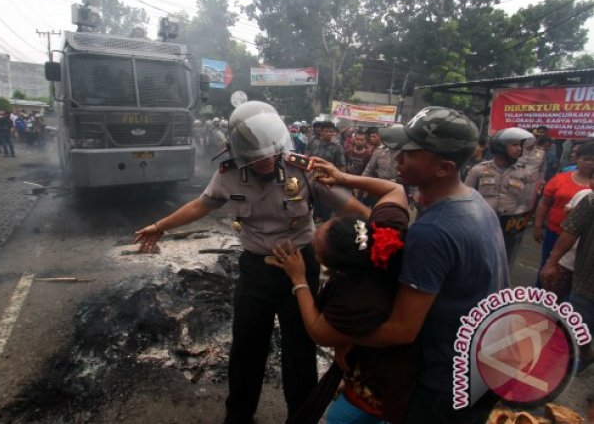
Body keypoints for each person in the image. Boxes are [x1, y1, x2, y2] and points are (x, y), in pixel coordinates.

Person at [133, 101, 369, 424]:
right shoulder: (228, 175)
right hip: (256, 270)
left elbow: (349, 206)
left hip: (300, 267)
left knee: (299, 350)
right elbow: (201, 206)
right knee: (246, 347)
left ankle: (301, 417)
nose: (268, 161)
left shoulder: (303, 168)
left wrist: (388, 231)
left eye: (273, 153)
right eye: (258, 158)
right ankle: (239, 415)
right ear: (239, 154)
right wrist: (160, 226)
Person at [335, 106, 508, 423]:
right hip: (481, 369)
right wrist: (342, 177)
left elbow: (402, 330)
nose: (399, 157)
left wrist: (345, 337)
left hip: (444, 381)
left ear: (444, 167)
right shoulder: (472, 200)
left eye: (410, 152)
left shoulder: (432, 231)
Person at [267, 158, 419, 423]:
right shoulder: (383, 232)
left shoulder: (352, 296)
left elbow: (318, 331)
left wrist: (298, 278)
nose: (312, 242)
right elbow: (394, 190)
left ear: (337, 267)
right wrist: (343, 178)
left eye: (315, 248)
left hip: (385, 377)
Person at [540, 186, 594, 374]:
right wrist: (552, 261)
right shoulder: (590, 200)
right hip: (587, 282)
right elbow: (571, 230)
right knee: (575, 327)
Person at [465, 127, 537, 269]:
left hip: (509, 228)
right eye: (514, 145)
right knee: (475, 262)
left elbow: (526, 201)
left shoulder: (525, 173)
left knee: (503, 264)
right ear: (500, 146)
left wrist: (516, 219)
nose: (519, 149)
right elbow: (466, 197)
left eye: (521, 145)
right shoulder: (478, 170)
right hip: (480, 225)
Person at [533, 141, 594, 285]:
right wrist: (538, 225)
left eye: (593, 160)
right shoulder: (560, 179)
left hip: (583, 242)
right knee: (547, 269)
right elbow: (545, 203)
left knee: (572, 276)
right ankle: (538, 302)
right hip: (555, 233)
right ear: (577, 159)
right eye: (585, 159)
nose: (589, 163)